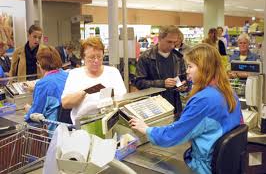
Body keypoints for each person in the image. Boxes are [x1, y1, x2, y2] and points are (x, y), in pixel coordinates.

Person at [129, 43, 243, 174]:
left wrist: (146, 129)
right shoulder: (228, 91)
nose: (187, 71)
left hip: (205, 167)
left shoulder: (203, 100)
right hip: (226, 166)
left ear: (204, 68)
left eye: (190, 66)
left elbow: (172, 135)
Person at [61, 36, 127, 124]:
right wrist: (84, 92)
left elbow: (123, 100)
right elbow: (65, 103)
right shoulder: (75, 74)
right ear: (83, 57)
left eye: (99, 57)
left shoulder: (113, 72)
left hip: (111, 122)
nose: (96, 61)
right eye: (91, 57)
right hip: (83, 126)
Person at [135, 25, 187, 118]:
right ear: (159, 38)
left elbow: (184, 78)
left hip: (175, 107)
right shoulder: (146, 57)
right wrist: (162, 83)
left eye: (174, 42)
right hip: (154, 108)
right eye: (169, 42)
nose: (172, 46)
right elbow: (139, 82)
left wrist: (183, 86)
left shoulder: (178, 57)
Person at [24, 46, 68, 130]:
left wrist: (29, 111)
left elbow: (36, 113)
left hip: (54, 131)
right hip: (69, 128)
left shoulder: (42, 84)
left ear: (40, 64)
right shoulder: (67, 75)